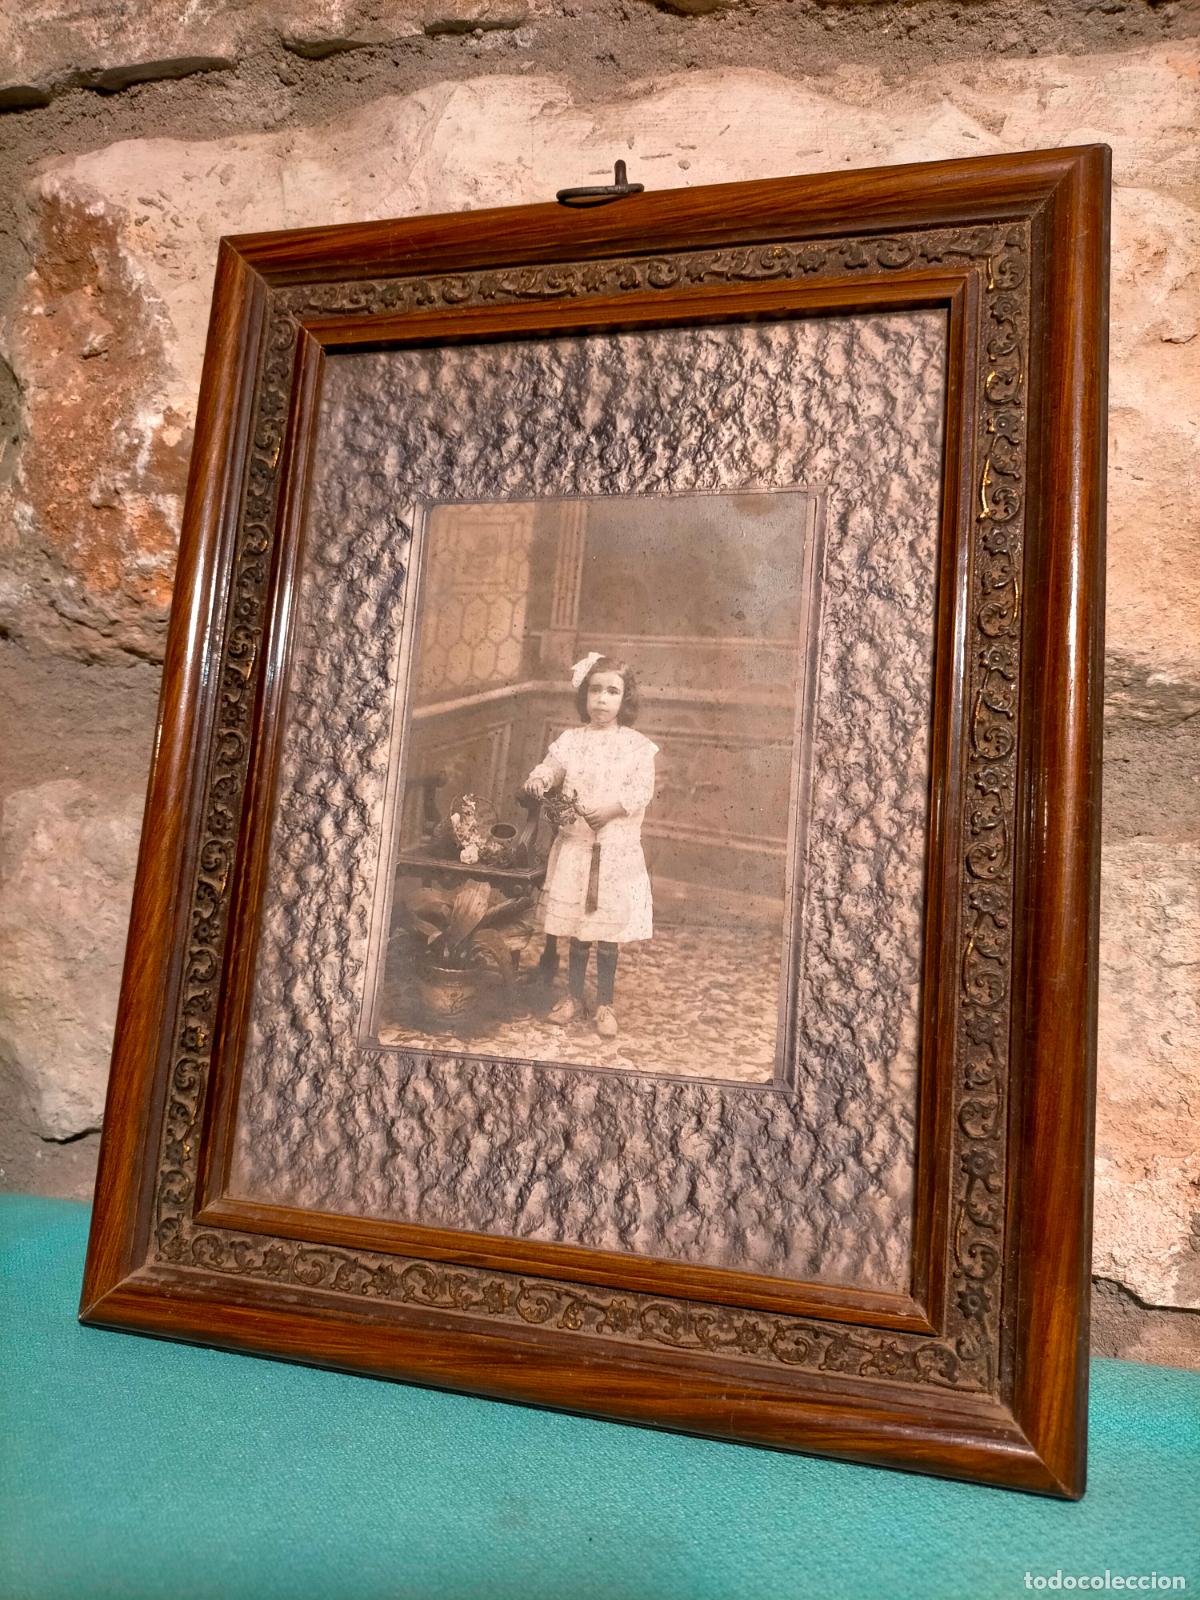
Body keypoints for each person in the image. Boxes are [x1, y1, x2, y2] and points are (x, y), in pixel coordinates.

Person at [522, 652, 657, 1039]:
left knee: (607, 934)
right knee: (579, 931)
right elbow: (551, 767)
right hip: (578, 847)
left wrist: (611, 810)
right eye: (594, 690)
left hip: (614, 850)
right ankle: (573, 997)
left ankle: (605, 1004)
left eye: (612, 691)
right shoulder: (571, 741)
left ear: (625, 699)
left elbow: (640, 791)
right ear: (583, 697)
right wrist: (541, 779)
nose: (601, 699)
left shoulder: (636, 746)